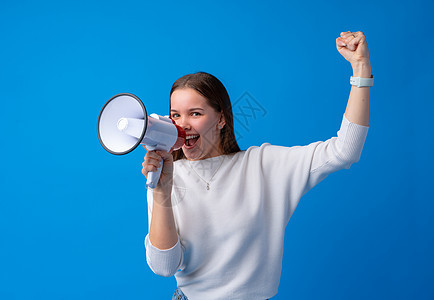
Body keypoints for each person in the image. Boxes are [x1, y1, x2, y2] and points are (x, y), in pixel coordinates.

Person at [141, 31, 372, 300]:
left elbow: (345, 150)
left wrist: (361, 70)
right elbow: (164, 267)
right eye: (175, 115)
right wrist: (161, 192)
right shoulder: (166, 178)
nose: (183, 125)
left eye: (196, 113)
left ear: (221, 119)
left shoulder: (264, 165)